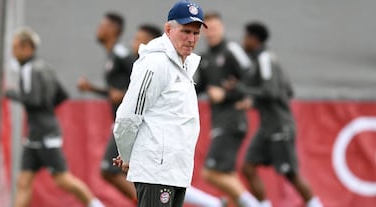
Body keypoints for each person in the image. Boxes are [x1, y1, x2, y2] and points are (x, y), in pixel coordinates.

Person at [112, 0, 207, 206]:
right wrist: (128, 156)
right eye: (185, 31)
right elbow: (128, 116)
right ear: (168, 29)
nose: (191, 39)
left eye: (196, 33)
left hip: (175, 171)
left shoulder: (184, 64)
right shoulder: (156, 64)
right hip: (157, 172)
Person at [6, 27, 104, 207]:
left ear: (27, 47)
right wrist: (47, 113)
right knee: (24, 181)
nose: (13, 53)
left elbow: (34, 100)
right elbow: (62, 95)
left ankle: (96, 204)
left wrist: (11, 94)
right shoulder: (45, 67)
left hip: (45, 135)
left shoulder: (29, 68)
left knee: (63, 180)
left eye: (15, 48)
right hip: (35, 135)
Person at [227, 22, 323, 207]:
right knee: (248, 167)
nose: (243, 41)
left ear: (254, 39)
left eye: (246, 37)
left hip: (280, 126)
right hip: (266, 128)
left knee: (290, 173)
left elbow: (271, 91)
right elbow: (287, 90)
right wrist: (253, 101)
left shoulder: (265, 59)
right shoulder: (264, 60)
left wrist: (241, 89)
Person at [194, 12, 260, 207]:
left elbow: (253, 78)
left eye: (215, 28)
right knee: (227, 174)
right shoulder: (205, 58)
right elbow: (199, 87)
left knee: (210, 173)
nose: (212, 32)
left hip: (233, 121)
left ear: (222, 28)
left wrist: (227, 94)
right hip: (219, 121)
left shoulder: (231, 50)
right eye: (208, 29)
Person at [77, 12, 138, 204]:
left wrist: (126, 92)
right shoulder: (112, 56)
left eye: (102, 25)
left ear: (113, 29)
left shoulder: (121, 54)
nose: (98, 29)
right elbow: (114, 93)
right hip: (121, 123)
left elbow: (142, 78)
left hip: (128, 123)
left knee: (109, 169)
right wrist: (92, 88)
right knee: (119, 171)